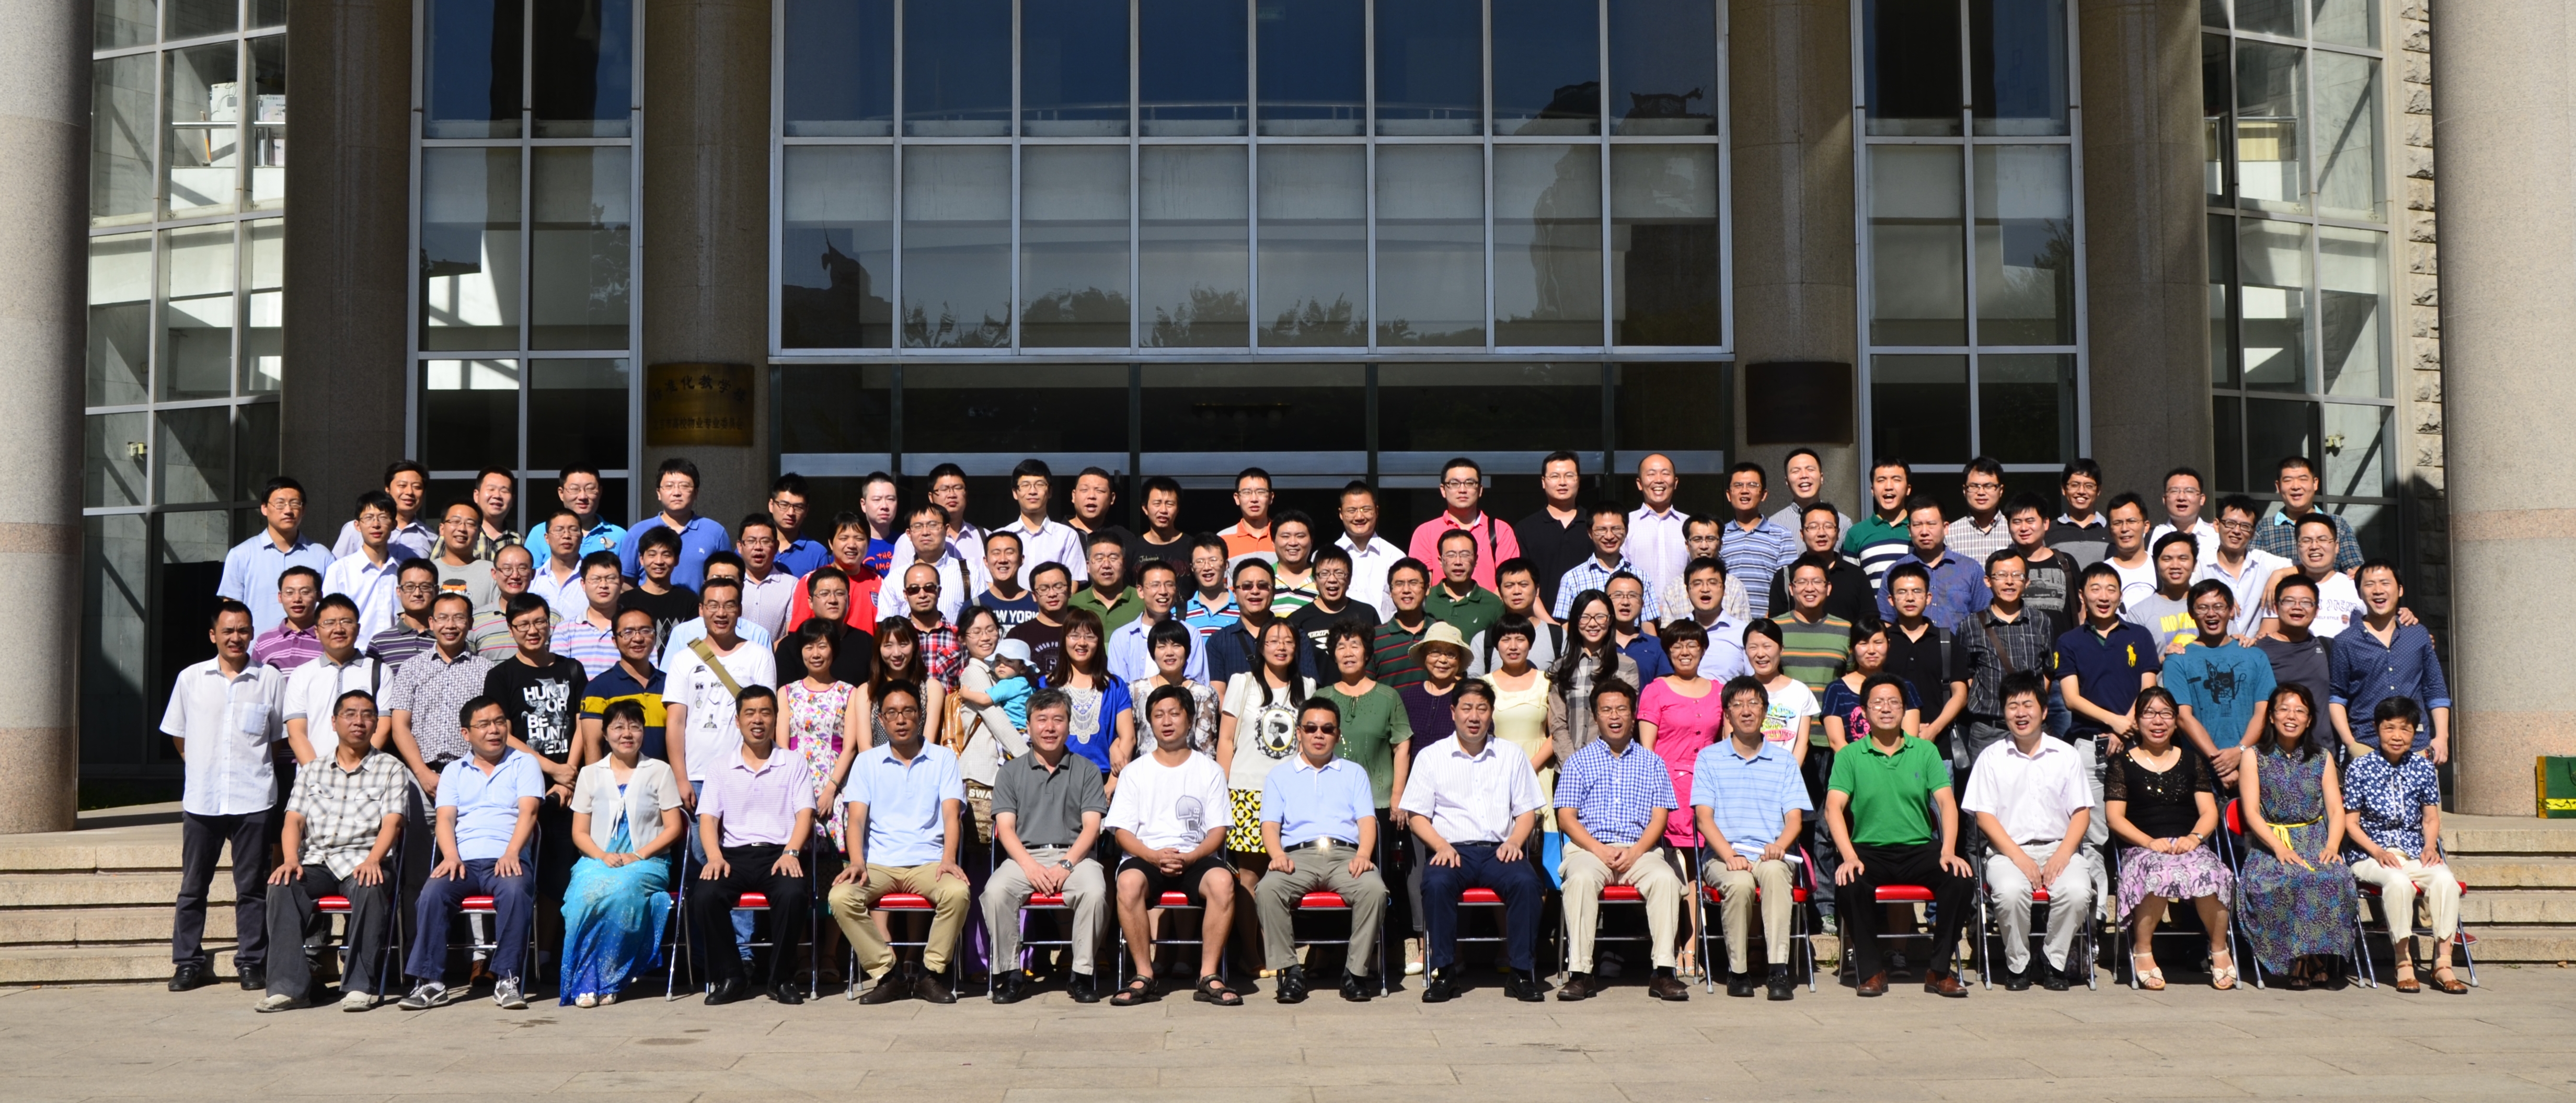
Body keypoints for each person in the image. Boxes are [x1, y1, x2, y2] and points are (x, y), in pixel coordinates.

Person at [1824, 674, 1976, 997]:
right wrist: (1849, 856)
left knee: (1960, 879)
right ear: (1864, 711)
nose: (1886, 708)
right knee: (1849, 884)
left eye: (1894, 702)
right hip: (1869, 850)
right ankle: (1871, 971)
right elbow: (1833, 808)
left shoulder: (1925, 751)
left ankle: (1939, 971)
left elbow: (1947, 803)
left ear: (1904, 709)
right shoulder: (1850, 755)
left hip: (1919, 849)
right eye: (1878, 702)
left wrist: (1949, 850)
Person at [256, 689, 407, 1012]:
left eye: (367, 715)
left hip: (365, 859)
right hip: (318, 861)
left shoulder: (391, 768)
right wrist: (290, 860)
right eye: (350, 714)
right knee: (282, 885)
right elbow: (294, 821)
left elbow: (393, 824)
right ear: (334, 722)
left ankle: (359, 986)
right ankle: (290, 988)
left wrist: (374, 860)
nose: (359, 721)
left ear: (375, 724)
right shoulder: (313, 770)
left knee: (371, 884)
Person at [164, 600, 287, 994]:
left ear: (252, 634)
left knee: (251, 888)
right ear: (213, 635)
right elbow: (179, 735)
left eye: (243, 630)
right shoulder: (191, 678)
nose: (236, 637)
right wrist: (202, 765)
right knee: (193, 886)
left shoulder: (270, 679)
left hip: (254, 798)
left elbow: (276, 738)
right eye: (228, 631)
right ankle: (187, 962)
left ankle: (251, 962)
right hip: (204, 799)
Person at [1404, 680, 1549, 1003]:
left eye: (1482, 709)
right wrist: (1441, 845)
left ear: (1491, 714)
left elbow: (1527, 812)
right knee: (1436, 883)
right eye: (1467, 708)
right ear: (1453, 712)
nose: (1474, 716)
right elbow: (1417, 816)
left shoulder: (1511, 755)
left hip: (1501, 850)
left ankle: (1521, 973)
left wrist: (1515, 841)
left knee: (1528, 883)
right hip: (1452, 850)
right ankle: (1445, 973)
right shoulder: (1431, 757)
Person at [828, 679, 969, 1005]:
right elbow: (856, 820)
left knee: (958, 893)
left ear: (920, 715)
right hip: (878, 863)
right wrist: (857, 862)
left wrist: (949, 859)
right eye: (892, 713)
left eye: (908, 711)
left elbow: (951, 816)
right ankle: (888, 974)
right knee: (841, 897)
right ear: (881, 720)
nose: (901, 719)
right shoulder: (867, 762)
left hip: (929, 862)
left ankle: (929, 974)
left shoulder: (943, 759)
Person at [400, 697, 543, 1011]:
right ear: (466, 733)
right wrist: (450, 856)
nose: (494, 730)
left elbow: (529, 813)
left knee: (516, 892)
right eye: (484, 725)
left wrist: (512, 852)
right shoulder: (454, 771)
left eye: (500, 722)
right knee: (432, 894)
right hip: (462, 861)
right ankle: (431, 983)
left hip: (507, 858)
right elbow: (445, 819)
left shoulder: (524, 763)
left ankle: (507, 979)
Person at [1106, 684, 1243, 1006]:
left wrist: (1192, 857)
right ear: (1150, 722)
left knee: (1223, 882)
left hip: (1195, 855)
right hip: (1146, 855)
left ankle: (1208, 976)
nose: (1167, 722)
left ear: (1190, 719)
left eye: (1174, 714)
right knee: (1128, 883)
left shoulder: (1209, 770)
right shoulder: (1135, 772)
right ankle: (1144, 975)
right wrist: (1152, 856)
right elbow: (1122, 832)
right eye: (1158, 715)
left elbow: (1218, 831)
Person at [1554, 678, 1690, 1001]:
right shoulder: (1578, 761)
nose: (1614, 716)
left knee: (1665, 880)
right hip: (1590, 849)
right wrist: (1599, 850)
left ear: (1633, 715)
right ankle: (1580, 974)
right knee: (1581, 879)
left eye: (1621, 709)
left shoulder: (1652, 762)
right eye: (1606, 710)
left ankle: (1663, 972)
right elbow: (1566, 818)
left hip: (1640, 850)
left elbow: (1660, 818)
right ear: (1595, 716)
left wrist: (1637, 851)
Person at [1960, 671, 2097, 991]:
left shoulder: (2066, 755)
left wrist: (2063, 854)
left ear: (2045, 711)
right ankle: (2018, 963)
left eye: (2028, 705)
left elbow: (2081, 813)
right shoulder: (1991, 758)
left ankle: (2053, 959)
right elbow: (1984, 817)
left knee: (2078, 891)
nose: (2021, 714)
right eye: (2013, 706)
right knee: (2009, 892)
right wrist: (2020, 858)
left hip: (2059, 848)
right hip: (2007, 852)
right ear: (2004, 712)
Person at [1256, 697, 1392, 1004]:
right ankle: (1291, 972)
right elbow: (1270, 825)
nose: (1319, 734)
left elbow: (1367, 821)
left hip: (1346, 856)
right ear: (1299, 732)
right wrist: (1277, 855)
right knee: (1267, 890)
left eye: (1327, 729)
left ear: (1338, 734)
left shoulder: (1354, 773)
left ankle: (1355, 973)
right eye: (1311, 728)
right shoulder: (1280, 775)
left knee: (1374, 890)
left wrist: (1364, 856)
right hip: (1297, 857)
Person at [689, 687, 816, 1005]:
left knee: (793, 894)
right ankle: (732, 976)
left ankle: (780, 979)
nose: (757, 720)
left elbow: (805, 814)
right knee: (704, 896)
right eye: (750, 713)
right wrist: (714, 857)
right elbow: (708, 819)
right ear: (737, 720)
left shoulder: (793, 762)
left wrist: (791, 851)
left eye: (765, 712)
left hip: (780, 853)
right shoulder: (721, 766)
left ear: (775, 719)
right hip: (733, 855)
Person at [2104, 686, 2237, 991]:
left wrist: (2195, 837)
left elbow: (2209, 812)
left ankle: (2219, 949)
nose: (2158, 721)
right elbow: (2115, 818)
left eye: (2166, 714)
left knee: (2210, 872)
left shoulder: (2192, 761)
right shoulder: (2122, 764)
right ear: (2138, 721)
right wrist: (2149, 842)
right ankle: (2143, 951)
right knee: (2158, 871)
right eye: (2149, 713)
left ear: (2176, 721)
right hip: (2142, 848)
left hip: (2188, 845)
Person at [557, 699, 687, 1007]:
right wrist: (602, 856)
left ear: (643, 733)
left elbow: (673, 828)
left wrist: (638, 855)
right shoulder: (590, 774)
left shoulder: (660, 770)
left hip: (648, 862)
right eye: (618, 727)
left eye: (635, 727)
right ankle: (586, 980)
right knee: (582, 897)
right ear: (605, 734)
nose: (627, 734)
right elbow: (579, 833)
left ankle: (610, 978)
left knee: (621, 893)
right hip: (597, 860)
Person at [985, 689, 1111, 1004]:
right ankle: (1010, 974)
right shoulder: (1010, 772)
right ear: (1028, 726)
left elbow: (1092, 827)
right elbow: (1005, 829)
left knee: (1095, 891)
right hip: (1025, 857)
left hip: (1075, 857)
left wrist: (1066, 865)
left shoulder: (1087, 770)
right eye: (1041, 720)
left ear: (1069, 725)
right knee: (996, 891)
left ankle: (1082, 975)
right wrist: (1031, 867)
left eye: (1058, 719)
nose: (1050, 728)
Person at [1689, 676, 1811, 1001]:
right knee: (1740, 883)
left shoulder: (1784, 761)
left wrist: (1780, 846)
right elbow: (1704, 819)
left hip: (1771, 853)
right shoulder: (1709, 758)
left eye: (1754, 703)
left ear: (1765, 712)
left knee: (1774, 874)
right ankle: (1738, 970)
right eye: (1738, 705)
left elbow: (1795, 819)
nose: (1746, 711)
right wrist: (1729, 855)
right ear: (1727, 714)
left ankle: (1778, 970)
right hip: (1723, 855)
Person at [2236, 684, 2360, 989]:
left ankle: (2310, 956)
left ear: (2309, 719)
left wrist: (2333, 845)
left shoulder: (2322, 757)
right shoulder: (2254, 756)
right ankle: (2302, 959)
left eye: (2300, 711)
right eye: (2284, 709)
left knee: (2336, 876)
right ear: (2272, 716)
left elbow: (2336, 809)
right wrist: (2278, 848)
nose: (2291, 716)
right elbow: (2251, 812)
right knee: (2293, 878)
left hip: (2315, 841)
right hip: (2271, 845)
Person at [2342, 696, 2468, 995]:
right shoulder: (2360, 768)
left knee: (2445, 880)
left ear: (2414, 733)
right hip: (2370, 854)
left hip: (2413, 852)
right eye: (2390, 728)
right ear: (2377, 729)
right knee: (2397, 881)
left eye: (2405, 729)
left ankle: (2443, 963)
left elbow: (2431, 818)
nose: (2397, 736)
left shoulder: (2423, 768)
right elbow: (2351, 823)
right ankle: (2403, 961)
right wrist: (2377, 851)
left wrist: (2430, 846)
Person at [1217, 618, 1310, 962]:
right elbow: (1226, 740)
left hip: (1293, 794)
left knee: (1287, 872)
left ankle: (1280, 950)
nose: (1281, 647)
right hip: (1247, 791)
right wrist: (1222, 789)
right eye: (1273, 640)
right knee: (1250, 876)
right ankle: (1251, 953)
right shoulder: (1242, 682)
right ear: (1261, 647)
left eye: (1288, 641)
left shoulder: (1308, 686)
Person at [2058, 562, 2163, 847]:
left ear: (2120, 596)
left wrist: (2123, 728)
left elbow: (2148, 689)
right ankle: (2099, 879)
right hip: (2089, 746)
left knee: (2140, 821)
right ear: (2082, 595)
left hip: (2137, 742)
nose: (2104, 597)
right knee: (2092, 831)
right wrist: (2114, 722)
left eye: (2111, 590)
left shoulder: (2139, 635)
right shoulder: (2069, 641)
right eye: (2096, 589)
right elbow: (2071, 699)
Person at [663, 576, 780, 809]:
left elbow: (767, 718)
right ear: (701, 610)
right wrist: (680, 778)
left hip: (747, 772)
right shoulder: (682, 659)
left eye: (729, 605)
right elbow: (675, 722)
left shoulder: (760, 655)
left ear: (740, 610)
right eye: (713, 606)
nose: (721, 613)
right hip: (697, 775)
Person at [2328, 562, 2452, 762]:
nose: (2378, 590)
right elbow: (2337, 697)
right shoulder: (2346, 641)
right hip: (2367, 746)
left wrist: (2442, 738)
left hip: (2417, 746)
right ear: (2359, 593)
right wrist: (2351, 744)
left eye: (2385, 583)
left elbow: (2436, 690)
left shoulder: (2418, 634)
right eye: (2370, 585)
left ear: (2400, 590)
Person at [2164, 580, 2276, 787]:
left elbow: (2264, 711)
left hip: (2254, 768)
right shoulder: (2177, 660)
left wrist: (2240, 751)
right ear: (2191, 613)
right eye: (2202, 608)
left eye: (2219, 607)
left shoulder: (2255, 656)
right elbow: (2183, 717)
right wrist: (2220, 764)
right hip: (2200, 772)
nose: (2211, 614)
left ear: (2231, 611)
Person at [1959, 549, 2060, 775]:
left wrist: (2031, 706)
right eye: (2001, 575)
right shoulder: (1971, 625)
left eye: (2017, 575)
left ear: (2027, 582)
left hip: (2032, 728)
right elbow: (1967, 674)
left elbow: (2048, 671)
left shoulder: (2041, 621)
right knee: (1987, 792)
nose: (2010, 582)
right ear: (1988, 581)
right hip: (1988, 730)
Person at [281, 595, 389, 764]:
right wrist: (318, 774)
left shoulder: (380, 671)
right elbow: (297, 734)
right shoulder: (301, 675)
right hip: (313, 776)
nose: (338, 629)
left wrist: (357, 769)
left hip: (367, 774)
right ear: (317, 631)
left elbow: (383, 727)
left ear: (358, 628)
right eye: (329, 623)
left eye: (346, 622)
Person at [221, 477, 335, 633]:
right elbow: (231, 610)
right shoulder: (241, 555)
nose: (288, 511)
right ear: (264, 508)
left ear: (304, 510)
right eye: (280, 504)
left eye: (295, 504)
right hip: (257, 646)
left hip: (311, 646)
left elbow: (332, 607)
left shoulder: (322, 557)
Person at [1880, 564, 1969, 756]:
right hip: (1889, 746)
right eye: (1902, 592)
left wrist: (1933, 730)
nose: (1910, 598)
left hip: (1940, 746)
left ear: (1928, 598)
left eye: (1917, 591)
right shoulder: (1882, 642)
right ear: (1891, 600)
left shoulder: (1946, 640)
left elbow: (1960, 694)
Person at [1545, 590, 1642, 763]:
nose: (1593, 624)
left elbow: (1627, 720)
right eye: (1585, 617)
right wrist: (1573, 764)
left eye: (1600, 617)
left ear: (1610, 620)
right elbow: (1558, 724)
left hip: (1611, 765)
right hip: (1568, 765)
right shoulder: (1561, 667)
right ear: (1576, 621)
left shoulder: (1627, 666)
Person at [1876, 497, 1991, 634]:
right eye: (1917, 525)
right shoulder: (1894, 572)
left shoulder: (1970, 569)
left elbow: (1985, 618)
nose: (1924, 532)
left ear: (1946, 528)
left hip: (1960, 647)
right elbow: (1886, 622)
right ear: (1909, 530)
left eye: (1931, 524)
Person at [1409, 457, 1523, 592]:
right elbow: (1422, 586)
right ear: (1443, 490)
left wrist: (1489, 605)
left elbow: (1509, 583)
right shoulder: (1425, 533)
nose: (1462, 490)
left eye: (1470, 483)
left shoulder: (1500, 530)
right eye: (1454, 483)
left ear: (1480, 490)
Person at [1048, 608, 1135, 777]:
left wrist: (1112, 783)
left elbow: (1128, 738)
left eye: (1090, 637)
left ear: (1099, 641)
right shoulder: (1046, 686)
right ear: (1064, 639)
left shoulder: (1115, 687)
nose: (1082, 643)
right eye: (1074, 636)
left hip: (1103, 778)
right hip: (1056, 777)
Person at [619, 458, 730, 591]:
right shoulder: (637, 532)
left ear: (696, 493)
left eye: (685, 486)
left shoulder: (716, 532)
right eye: (669, 486)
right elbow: (626, 583)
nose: (677, 493)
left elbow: (728, 577)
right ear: (659, 493)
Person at [325, 491, 420, 641]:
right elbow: (327, 618)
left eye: (383, 517)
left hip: (396, 651)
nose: (376, 525)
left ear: (394, 524)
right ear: (357, 525)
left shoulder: (404, 573)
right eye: (369, 518)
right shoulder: (339, 571)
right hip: (355, 651)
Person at [580, 607, 670, 762]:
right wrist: (596, 778)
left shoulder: (670, 683)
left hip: (664, 775)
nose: (638, 638)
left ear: (655, 636)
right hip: (618, 776)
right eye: (628, 632)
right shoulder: (599, 688)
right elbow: (592, 745)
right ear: (615, 641)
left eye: (646, 631)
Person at [2197, 495, 2296, 637]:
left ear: (2253, 533)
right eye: (2230, 523)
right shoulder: (2201, 563)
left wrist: (2279, 574)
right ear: (2217, 525)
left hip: (2254, 646)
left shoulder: (2263, 562)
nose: (2237, 531)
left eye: (2245, 526)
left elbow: (2307, 569)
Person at [1821, 619, 1920, 753]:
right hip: (1852, 764)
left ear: (1889, 644)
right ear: (1852, 649)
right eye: (1864, 644)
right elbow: (1836, 742)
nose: (1872, 650)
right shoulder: (1836, 690)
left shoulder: (1905, 688)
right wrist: (1862, 765)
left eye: (1878, 643)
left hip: (1898, 763)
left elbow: (1910, 738)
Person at [1769, 502, 1873, 624]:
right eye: (1813, 527)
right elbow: (1776, 626)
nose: (1822, 533)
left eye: (1828, 527)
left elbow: (1870, 624)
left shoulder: (1857, 576)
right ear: (1802, 534)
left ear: (1838, 533)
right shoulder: (1785, 577)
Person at [2254, 456, 2365, 571]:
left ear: (2315, 483)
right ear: (2278, 487)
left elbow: (2355, 570)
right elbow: (2254, 572)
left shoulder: (2338, 524)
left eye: (2303, 479)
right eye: (2288, 480)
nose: (2296, 487)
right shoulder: (2264, 529)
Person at [1514, 451, 1591, 614]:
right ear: (1543, 482)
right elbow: (1523, 583)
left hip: (1591, 620)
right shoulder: (1526, 529)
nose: (1562, 482)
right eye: (1555, 476)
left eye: (1569, 476)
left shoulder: (1595, 525)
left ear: (1578, 481)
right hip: (1540, 621)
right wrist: (1549, 624)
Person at [1718, 462, 1798, 619]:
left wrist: (1772, 617)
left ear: (1764, 494)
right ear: (1729, 494)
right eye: (1738, 485)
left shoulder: (1781, 535)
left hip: (1769, 623)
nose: (1745, 491)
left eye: (1752, 485)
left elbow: (1787, 583)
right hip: (1728, 622)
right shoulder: (1719, 535)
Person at [1107, 559, 1206, 684]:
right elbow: (1119, 689)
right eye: (1155, 585)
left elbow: (1196, 686)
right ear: (1140, 591)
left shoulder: (1191, 634)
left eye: (1169, 585)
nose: (1163, 592)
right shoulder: (1122, 638)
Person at [1129, 619, 1220, 755]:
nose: (1169, 653)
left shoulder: (1203, 693)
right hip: (1145, 766)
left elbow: (1206, 748)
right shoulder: (1135, 691)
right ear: (1153, 652)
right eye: (1162, 647)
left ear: (1187, 651)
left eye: (1176, 646)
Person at [1288, 545, 1381, 675]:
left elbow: (1379, 659)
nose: (1332, 580)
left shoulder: (1367, 614)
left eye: (1339, 573)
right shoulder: (1298, 620)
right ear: (1315, 579)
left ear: (1349, 578)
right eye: (1324, 574)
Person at [1555, 506, 1659, 622]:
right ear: (1590, 533)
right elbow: (1565, 625)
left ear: (1626, 531)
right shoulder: (1572, 579)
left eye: (1616, 529)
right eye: (1602, 530)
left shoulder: (1642, 577)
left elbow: (1648, 624)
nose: (1609, 536)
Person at [876, 503, 974, 625]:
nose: (925, 532)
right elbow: (886, 628)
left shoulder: (969, 573)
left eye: (933, 525)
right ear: (909, 534)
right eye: (918, 527)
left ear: (947, 529)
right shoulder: (894, 579)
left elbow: (982, 620)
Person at [2256, 574, 2337, 719]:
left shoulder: (2329, 648)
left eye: (2306, 603)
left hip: (2323, 735)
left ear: (2317, 610)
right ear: (2276, 607)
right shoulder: (2258, 651)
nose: (2297, 607)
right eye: (2289, 601)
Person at [787, 513, 886, 629]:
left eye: (859, 539)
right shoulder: (811, 581)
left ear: (868, 544)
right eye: (844, 538)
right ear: (831, 543)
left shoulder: (878, 582)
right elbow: (799, 632)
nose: (852, 545)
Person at [524, 466, 626, 574]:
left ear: (600, 492)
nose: (583, 497)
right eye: (574, 489)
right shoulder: (540, 533)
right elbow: (529, 578)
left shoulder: (619, 535)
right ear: (561, 493)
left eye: (590, 489)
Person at [1468, 560, 1562, 675]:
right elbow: (1474, 684)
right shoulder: (1483, 640)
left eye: (1524, 585)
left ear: (1537, 590)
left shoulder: (1559, 637)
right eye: (1509, 586)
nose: (1517, 591)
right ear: (1500, 593)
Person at [997, 459, 1084, 585]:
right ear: (1015, 493)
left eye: (1039, 485)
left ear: (1050, 491)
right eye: (1025, 485)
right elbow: (991, 583)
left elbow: (1072, 584)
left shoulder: (1067, 536)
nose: (1033, 491)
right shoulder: (999, 537)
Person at [617, 526, 698, 659]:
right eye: (652, 555)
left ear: (677, 560)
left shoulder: (690, 602)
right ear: (642, 559)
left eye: (666, 555)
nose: (659, 561)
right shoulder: (625, 602)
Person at [2279, 514, 2365, 637]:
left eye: (2323, 540)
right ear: (2298, 547)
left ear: (2337, 546)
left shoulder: (2357, 587)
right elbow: (2269, 635)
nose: (2314, 547)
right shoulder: (2284, 589)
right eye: (2306, 541)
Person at [1661, 516, 1755, 628]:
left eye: (1710, 539)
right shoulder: (1673, 589)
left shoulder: (1735, 587)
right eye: (1697, 539)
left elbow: (1743, 632)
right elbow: (1668, 634)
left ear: (1720, 545)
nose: (1704, 546)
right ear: (1687, 545)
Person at [2000, 493, 2076, 629]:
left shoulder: (2066, 562)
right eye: (2017, 522)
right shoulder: (2002, 565)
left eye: (2030, 521)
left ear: (2045, 523)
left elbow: (2080, 611)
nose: (2024, 528)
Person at [331, 460, 434, 561]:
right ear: (387, 488)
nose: (410, 492)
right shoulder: (357, 529)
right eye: (402, 486)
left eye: (417, 487)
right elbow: (337, 567)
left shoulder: (431, 537)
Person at [1333, 480, 1408, 618]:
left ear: (1377, 511)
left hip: (1383, 631)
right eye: (1352, 511)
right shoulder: (1325, 558)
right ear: (1341, 514)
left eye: (1366, 510)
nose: (1359, 517)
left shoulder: (1395, 557)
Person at [1624, 454, 1690, 599]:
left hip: (1682, 610)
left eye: (1665, 474)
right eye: (1651, 474)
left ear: (1676, 482)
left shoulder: (1690, 525)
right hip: (1639, 610)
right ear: (1639, 483)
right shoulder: (1626, 524)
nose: (1659, 480)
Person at [1842, 458, 1915, 587]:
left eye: (1896, 480)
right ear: (1872, 490)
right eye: (1881, 480)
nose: (1889, 487)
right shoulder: (1856, 533)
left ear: (1908, 489)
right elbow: (1850, 585)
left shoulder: (1921, 530)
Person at [551, 552, 625, 678]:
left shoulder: (636, 629)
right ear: (583, 584)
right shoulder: (565, 630)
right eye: (596, 579)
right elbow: (558, 677)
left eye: (610, 579)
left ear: (621, 582)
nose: (603, 585)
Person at [470, 544, 551, 660]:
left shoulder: (551, 618)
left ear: (533, 574)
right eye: (507, 569)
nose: (515, 576)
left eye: (522, 569)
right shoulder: (475, 620)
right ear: (494, 573)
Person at [2124, 532, 2202, 653]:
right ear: (2156, 565)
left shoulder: (2213, 606)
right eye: (2167, 559)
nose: (2175, 566)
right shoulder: (2139, 613)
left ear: (2195, 564)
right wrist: (2163, 659)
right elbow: (2133, 660)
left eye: (2183, 559)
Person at [1423, 529, 1504, 642]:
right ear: (1440, 561)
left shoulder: (1493, 605)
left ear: (1476, 560)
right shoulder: (1426, 599)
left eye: (1465, 555)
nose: (1458, 562)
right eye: (1451, 555)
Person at [1368, 559, 1438, 689]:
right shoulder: (1375, 638)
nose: (1406, 590)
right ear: (1390, 591)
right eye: (1399, 584)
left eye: (1413, 583)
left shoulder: (1441, 632)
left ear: (1427, 588)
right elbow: (1366, 688)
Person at [427, 500, 502, 615]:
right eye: (455, 522)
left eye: (470, 524)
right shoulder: (426, 572)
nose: (462, 529)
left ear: (479, 533)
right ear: (442, 529)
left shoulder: (493, 573)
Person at [733, 515, 799, 641]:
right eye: (751, 541)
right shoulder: (729, 582)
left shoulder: (791, 585)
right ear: (740, 547)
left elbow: (791, 636)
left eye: (765, 541)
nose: (758, 547)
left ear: (776, 546)